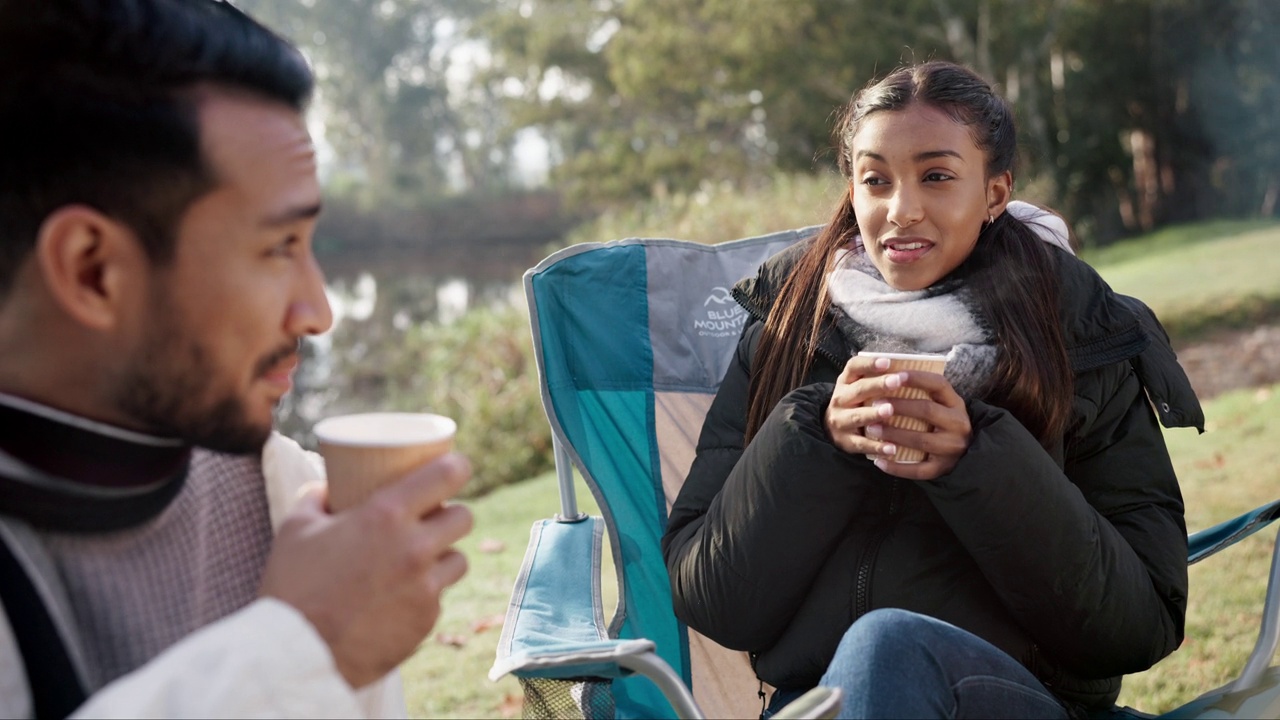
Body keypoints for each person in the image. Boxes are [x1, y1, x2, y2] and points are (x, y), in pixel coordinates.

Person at [661, 60, 1203, 719]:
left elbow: (1139, 624)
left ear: (995, 192)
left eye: (937, 176)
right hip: (824, 707)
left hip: (1011, 703)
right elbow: (716, 602)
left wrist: (980, 461)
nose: (902, 210)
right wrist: (817, 440)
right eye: (875, 180)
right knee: (871, 661)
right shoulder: (787, 333)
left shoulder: (1081, 336)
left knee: (890, 646)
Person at [0, 0, 472, 717]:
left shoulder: (294, 503)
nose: (319, 312)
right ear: (94, 270)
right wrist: (307, 646)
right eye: (278, 248)